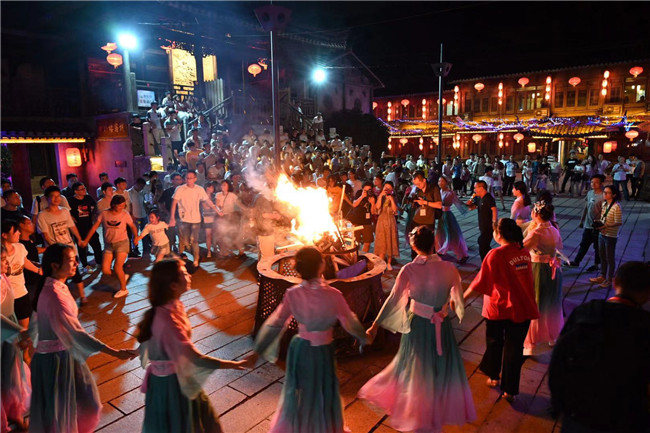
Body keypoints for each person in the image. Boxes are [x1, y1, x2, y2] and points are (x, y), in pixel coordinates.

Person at [360, 226, 476, 432]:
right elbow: (457, 300)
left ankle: (419, 411)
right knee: (440, 366)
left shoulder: (409, 270)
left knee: (417, 367)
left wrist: (375, 326)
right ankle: (436, 407)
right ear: (434, 244)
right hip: (442, 326)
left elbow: (393, 300)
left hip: (419, 324)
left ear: (413, 245)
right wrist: (448, 308)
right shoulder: (449, 268)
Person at [252, 246, 367, 433]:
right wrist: (363, 336)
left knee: (301, 390)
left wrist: (259, 349)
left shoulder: (293, 294)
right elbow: (349, 320)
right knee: (324, 388)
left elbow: (276, 323)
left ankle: (301, 425)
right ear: (322, 265)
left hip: (301, 348)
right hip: (323, 349)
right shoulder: (333, 295)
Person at [29, 244, 137, 433]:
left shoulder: (52, 286)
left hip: (63, 354)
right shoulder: (54, 294)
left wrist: (28, 338)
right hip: (56, 361)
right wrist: (114, 352)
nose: (76, 264)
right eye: (71, 261)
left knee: (80, 407)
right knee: (66, 412)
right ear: (55, 265)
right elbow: (76, 332)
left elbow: (37, 319)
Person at [136, 259, 247, 432]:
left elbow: (154, 340)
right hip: (171, 386)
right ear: (173, 285)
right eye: (184, 273)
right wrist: (233, 364)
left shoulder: (172, 307)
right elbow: (195, 358)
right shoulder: (168, 320)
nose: (189, 275)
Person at [549, 261, 650, 433]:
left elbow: (559, 358)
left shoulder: (586, 312)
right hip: (624, 417)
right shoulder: (644, 326)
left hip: (579, 411)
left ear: (614, 282)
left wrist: (559, 403)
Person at [464, 218, 539, 402]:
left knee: (494, 342)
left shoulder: (495, 254)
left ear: (499, 235)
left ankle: (493, 376)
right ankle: (510, 390)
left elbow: (480, 281)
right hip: (522, 308)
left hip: (499, 308)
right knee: (514, 350)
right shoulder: (523, 253)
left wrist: (461, 297)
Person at [522, 202, 564, 355]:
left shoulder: (537, 232)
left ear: (536, 214)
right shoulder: (553, 228)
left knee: (537, 303)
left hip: (538, 269)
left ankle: (531, 343)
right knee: (552, 301)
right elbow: (559, 246)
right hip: (554, 269)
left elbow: (523, 247)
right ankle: (552, 335)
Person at [80, 195, 138, 298]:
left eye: (123, 206)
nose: (121, 208)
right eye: (119, 206)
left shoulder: (125, 214)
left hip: (122, 243)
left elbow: (132, 226)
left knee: (117, 267)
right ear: (113, 204)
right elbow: (94, 228)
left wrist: (136, 237)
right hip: (108, 245)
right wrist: (85, 241)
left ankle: (124, 289)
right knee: (106, 270)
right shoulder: (104, 213)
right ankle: (122, 276)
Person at [36, 186, 86, 302]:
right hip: (56, 252)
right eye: (53, 196)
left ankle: (83, 296)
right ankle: (64, 299)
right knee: (60, 277)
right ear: (47, 198)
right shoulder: (42, 215)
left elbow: (72, 226)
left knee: (76, 273)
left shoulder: (64, 211)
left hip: (70, 249)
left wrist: (79, 239)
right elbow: (45, 235)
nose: (56, 199)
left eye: (58, 196)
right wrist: (56, 249)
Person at [1, 245, 31, 432]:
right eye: (2, 260)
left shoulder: (4, 277)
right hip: (4, 334)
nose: (6, 262)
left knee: (12, 376)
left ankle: (15, 413)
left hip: (9, 335)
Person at [169, 170, 219, 268]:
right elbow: (174, 203)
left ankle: (196, 259)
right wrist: (172, 218)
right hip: (184, 219)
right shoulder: (180, 189)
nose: (189, 180)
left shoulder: (199, 189)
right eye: (187, 178)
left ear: (195, 179)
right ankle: (187, 250)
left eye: (191, 178)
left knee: (194, 240)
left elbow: (207, 200)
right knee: (186, 241)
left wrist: (216, 210)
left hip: (196, 219)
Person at [2, 219, 42, 330]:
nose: (19, 233)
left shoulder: (20, 247)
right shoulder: (1, 254)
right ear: (4, 235)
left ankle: (24, 347)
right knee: (9, 329)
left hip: (21, 293)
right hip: (5, 298)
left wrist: (38, 270)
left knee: (24, 327)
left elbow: (24, 261)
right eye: (15, 231)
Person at [589, 185, 623, 288]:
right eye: (604, 192)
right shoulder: (604, 204)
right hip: (602, 233)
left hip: (610, 235)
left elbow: (619, 222)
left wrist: (606, 225)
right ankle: (602, 276)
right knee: (602, 256)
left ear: (613, 195)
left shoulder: (616, 206)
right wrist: (599, 223)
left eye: (607, 192)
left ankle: (609, 279)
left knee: (610, 258)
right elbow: (603, 217)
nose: (605, 194)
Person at [569, 174, 604, 271]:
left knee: (597, 246)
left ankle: (597, 265)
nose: (593, 184)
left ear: (601, 184)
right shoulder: (590, 193)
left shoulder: (603, 196)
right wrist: (581, 220)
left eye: (596, 182)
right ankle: (576, 261)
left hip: (597, 227)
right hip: (588, 225)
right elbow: (586, 207)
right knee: (584, 244)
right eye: (592, 182)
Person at [68, 181, 103, 272]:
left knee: (96, 244)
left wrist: (94, 216)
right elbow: (67, 212)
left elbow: (94, 208)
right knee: (82, 247)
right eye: (82, 189)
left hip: (89, 226)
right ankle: (85, 265)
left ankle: (99, 262)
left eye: (84, 188)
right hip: (78, 227)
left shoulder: (88, 198)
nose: (84, 190)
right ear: (76, 191)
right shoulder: (71, 200)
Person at [436, 176, 469, 263]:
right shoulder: (439, 191)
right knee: (441, 234)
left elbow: (458, 202)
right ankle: (441, 250)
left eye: (442, 181)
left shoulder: (450, 193)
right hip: (441, 216)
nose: (440, 183)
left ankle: (462, 255)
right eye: (439, 181)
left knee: (453, 236)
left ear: (446, 182)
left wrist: (468, 206)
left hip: (447, 215)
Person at [410, 170, 442, 258]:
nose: (417, 186)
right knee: (415, 243)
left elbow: (439, 205)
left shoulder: (433, 189)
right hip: (416, 220)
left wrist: (425, 202)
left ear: (424, 180)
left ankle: (429, 264)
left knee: (428, 245)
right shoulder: (417, 190)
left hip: (428, 221)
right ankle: (414, 262)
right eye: (415, 184)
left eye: (419, 184)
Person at [466, 180, 498, 261]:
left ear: (481, 188)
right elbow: (471, 208)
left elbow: (494, 209)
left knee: (482, 244)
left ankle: (486, 263)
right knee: (484, 245)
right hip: (482, 225)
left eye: (475, 188)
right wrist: (470, 201)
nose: (474, 190)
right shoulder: (480, 199)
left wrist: (494, 222)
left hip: (488, 226)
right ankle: (493, 259)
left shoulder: (488, 198)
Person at [374, 181, 400, 271]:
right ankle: (381, 264)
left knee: (390, 241)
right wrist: (381, 196)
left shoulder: (394, 197)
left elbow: (395, 210)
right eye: (385, 187)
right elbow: (377, 208)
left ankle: (389, 262)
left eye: (389, 188)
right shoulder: (380, 196)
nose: (387, 190)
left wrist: (392, 199)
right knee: (382, 243)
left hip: (390, 221)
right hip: (381, 221)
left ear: (392, 189)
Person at [214, 180, 240, 258]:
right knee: (221, 234)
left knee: (229, 233)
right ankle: (222, 250)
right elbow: (216, 205)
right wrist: (219, 209)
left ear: (228, 186)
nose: (223, 186)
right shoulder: (218, 194)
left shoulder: (232, 195)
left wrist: (245, 209)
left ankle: (228, 249)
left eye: (224, 185)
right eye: (222, 185)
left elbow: (238, 204)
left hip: (230, 216)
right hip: (221, 216)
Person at [348, 182, 376, 253]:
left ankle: (363, 255)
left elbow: (373, 212)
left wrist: (372, 203)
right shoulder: (359, 193)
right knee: (355, 242)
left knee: (368, 241)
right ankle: (355, 256)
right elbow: (354, 204)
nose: (367, 192)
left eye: (369, 190)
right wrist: (362, 197)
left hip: (367, 222)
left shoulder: (373, 196)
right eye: (365, 190)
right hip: (356, 220)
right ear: (362, 189)